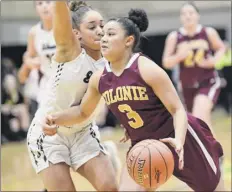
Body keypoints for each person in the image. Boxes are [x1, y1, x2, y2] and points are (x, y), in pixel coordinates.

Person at [43, 8, 225, 192]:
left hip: (182, 140)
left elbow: (177, 110)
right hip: (144, 146)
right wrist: (54, 118)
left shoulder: (146, 69)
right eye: (103, 34)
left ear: (128, 41)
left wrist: (178, 141)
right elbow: (82, 111)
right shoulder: (100, 78)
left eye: (111, 34)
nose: (103, 38)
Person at [26, 1, 119, 191]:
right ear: (76, 33)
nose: (100, 31)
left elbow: (84, 111)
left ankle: (104, 152)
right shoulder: (69, 50)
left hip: (83, 131)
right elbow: (59, 13)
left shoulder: (108, 63)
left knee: (110, 187)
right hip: (49, 135)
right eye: (92, 27)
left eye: (102, 25)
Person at [162, 2, 226, 131]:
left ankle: (209, 150)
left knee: (200, 115)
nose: (187, 16)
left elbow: (221, 48)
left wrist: (213, 61)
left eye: (190, 13)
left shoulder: (207, 32)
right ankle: (211, 149)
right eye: (184, 14)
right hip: (186, 86)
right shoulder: (174, 37)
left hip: (208, 81)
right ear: (180, 18)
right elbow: (166, 62)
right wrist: (179, 56)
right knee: (198, 122)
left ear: (198, 15)